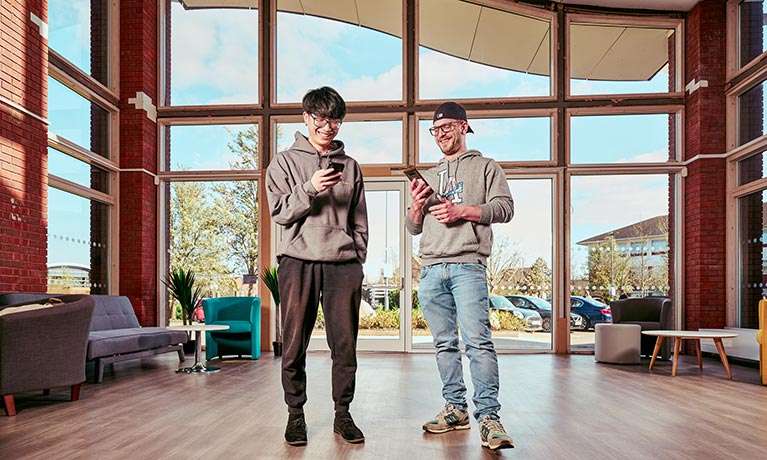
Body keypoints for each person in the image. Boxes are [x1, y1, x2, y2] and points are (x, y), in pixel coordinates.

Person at [405, 101, 515, 451]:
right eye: (435, 130)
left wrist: (461, 210)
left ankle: (489, 418)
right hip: (431, 268)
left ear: (465, 127)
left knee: (478, 343)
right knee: (444, 345)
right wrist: (416, 205)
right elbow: (412, 227)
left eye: (448, 127)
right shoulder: (429, 174)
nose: (441, 134)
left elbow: (505, 208)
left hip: (468, 265)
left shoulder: (486, 167)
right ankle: (456, 409)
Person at [265, 86, 368, 446]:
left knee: (345, 344)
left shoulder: (350, 166)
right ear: (307, 117)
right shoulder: (283, 163)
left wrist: (358, 256)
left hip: (343, 265)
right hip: (298, 261)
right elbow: (279, 212)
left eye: (336, 119)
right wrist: (309, 187)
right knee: (294, 343)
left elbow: (359, 219)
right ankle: (296, 415)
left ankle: (343, 414)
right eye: (322, 118)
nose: (329, 126)